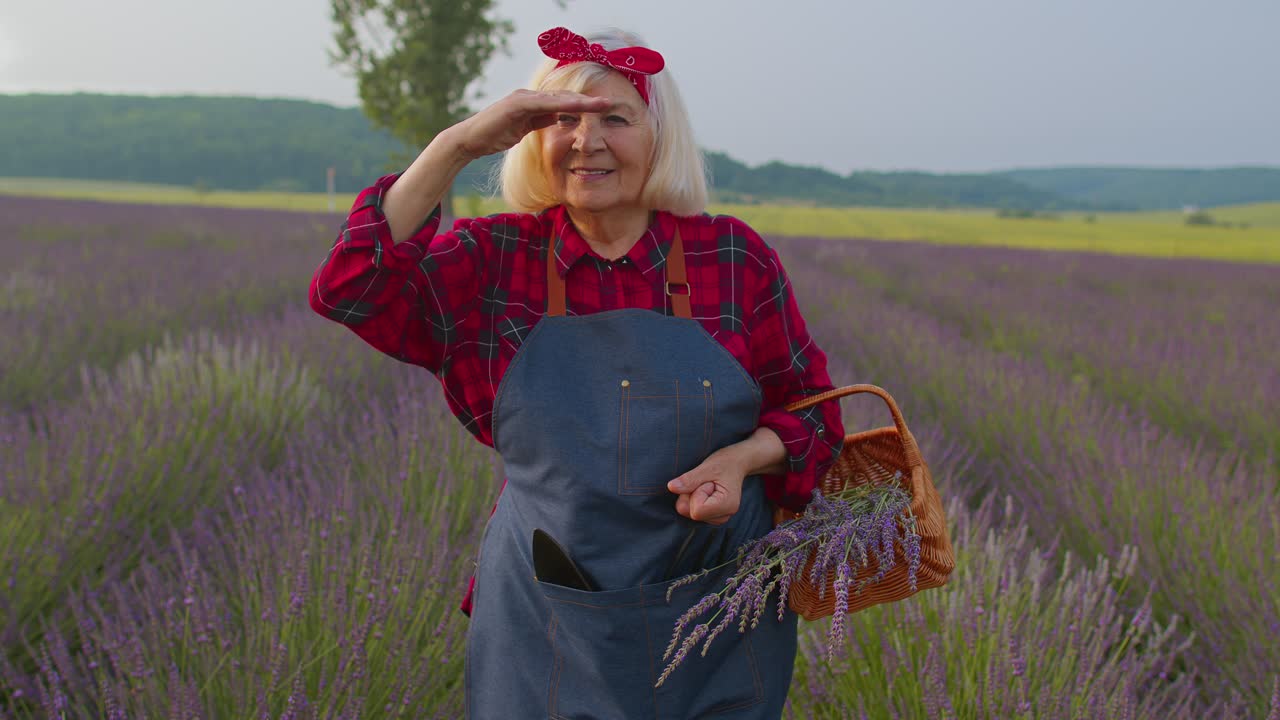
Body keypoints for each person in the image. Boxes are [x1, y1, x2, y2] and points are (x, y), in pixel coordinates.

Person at [309, 25, 844, 719]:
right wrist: (457, 145)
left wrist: (744, 458)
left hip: (719, 607)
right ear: (532, 135)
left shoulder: (733, 259)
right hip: (546, 608)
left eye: (615, 119)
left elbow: (814, 414)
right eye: (563, 120)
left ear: (658, 136)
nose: (587, 142)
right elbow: (350, 287)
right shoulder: (492, 258)